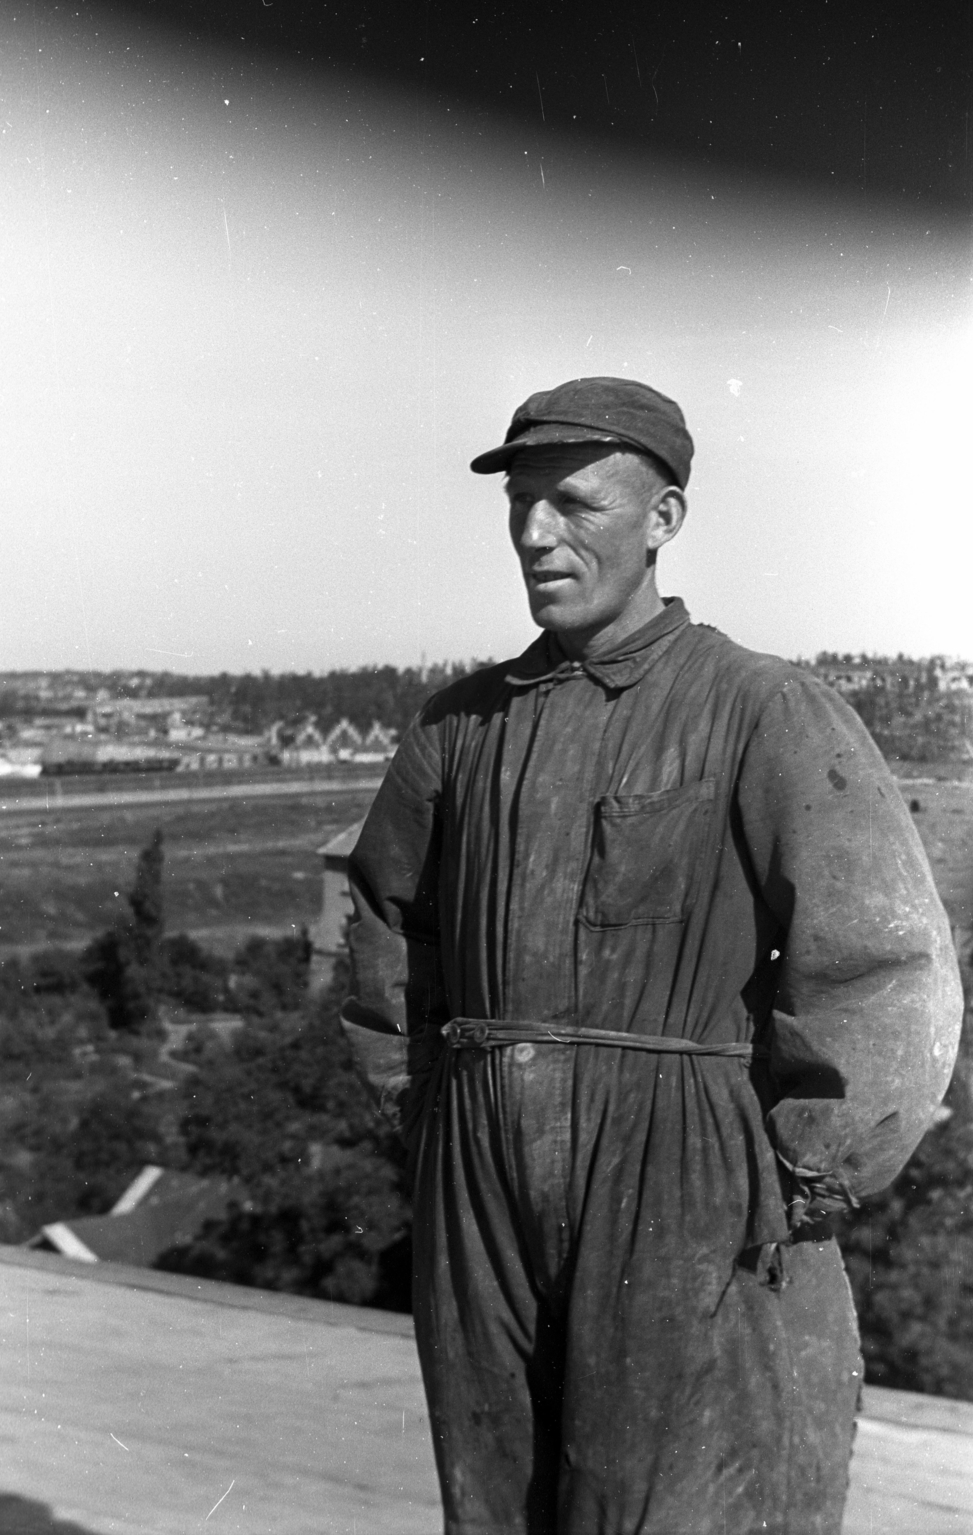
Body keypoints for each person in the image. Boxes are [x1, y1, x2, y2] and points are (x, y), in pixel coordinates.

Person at [340, 376, 962, 1535]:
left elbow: (877, 961)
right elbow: (385, 933)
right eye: (521, 504)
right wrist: (431, 1118)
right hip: (478, 1172)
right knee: (494, 1500)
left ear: (663, 519)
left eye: (573, 504)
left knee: (677, 1505)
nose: (535, 534)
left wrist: (803, 1172)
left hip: (684, 1174)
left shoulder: (763, 707)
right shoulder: (455, 727)